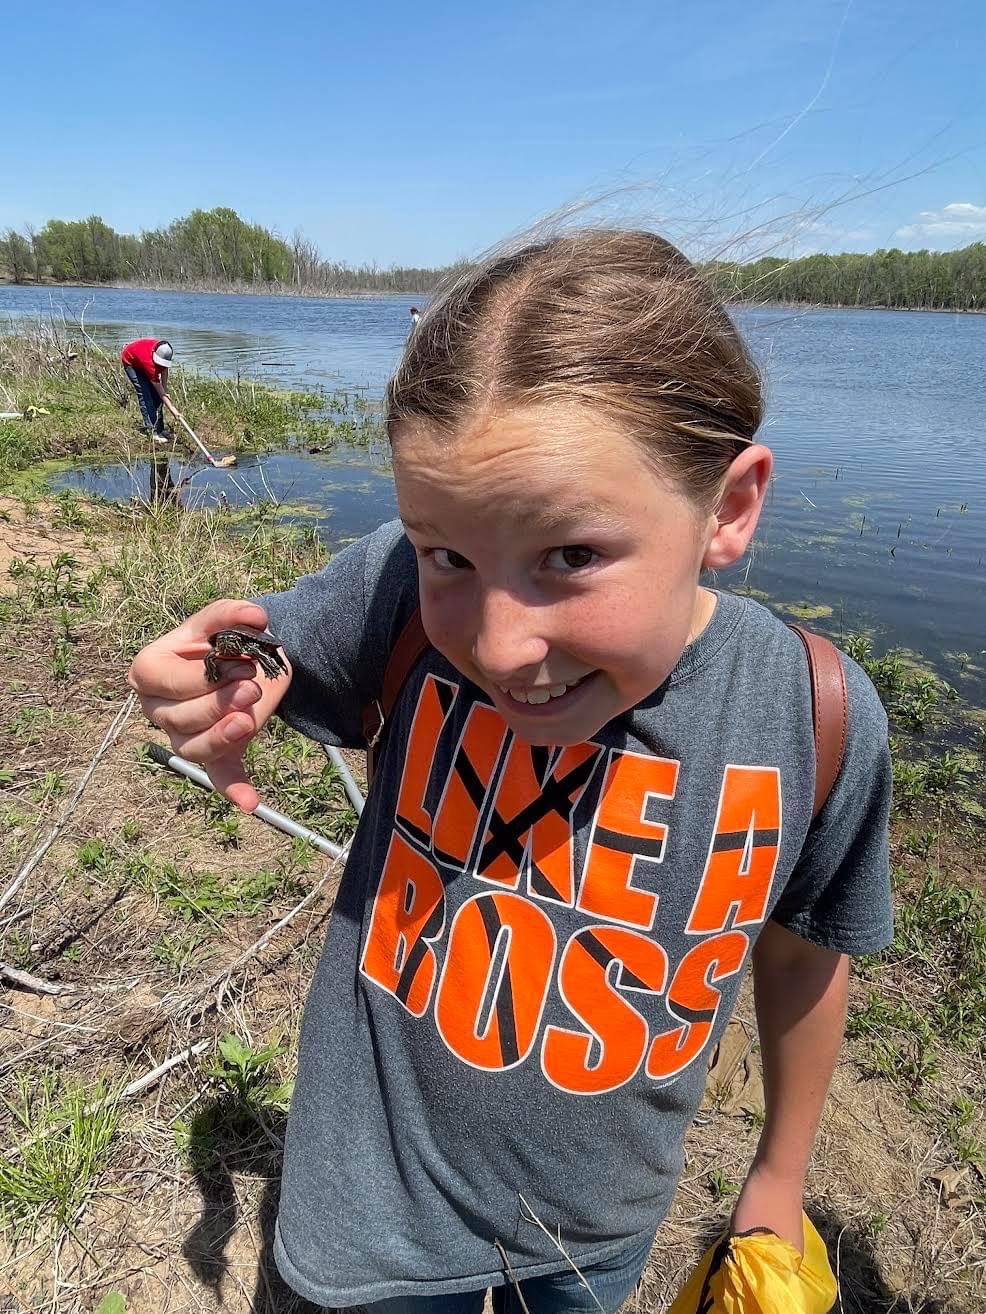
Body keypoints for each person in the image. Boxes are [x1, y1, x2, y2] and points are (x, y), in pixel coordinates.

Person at [127, 229, 893, 1314]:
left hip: (593, 1232)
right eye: (449, 554)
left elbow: (807, 952)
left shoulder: (810, 716)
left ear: (725, 508)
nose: (493, 646)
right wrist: (204, 687)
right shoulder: (392, 594)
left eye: (569, 558)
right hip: (365, 1223)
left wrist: (777, 1174)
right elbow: (248, 655)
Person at [120, 336, 178, 443]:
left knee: (157, 396)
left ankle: (160, 429)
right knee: (145, 395)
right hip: (131, 362)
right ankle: (152, 431)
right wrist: (172, 409)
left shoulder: (164, 351)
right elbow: (160, 391)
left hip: (140, 358)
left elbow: (164, 371)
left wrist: (165, 389)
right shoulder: (149, 362)